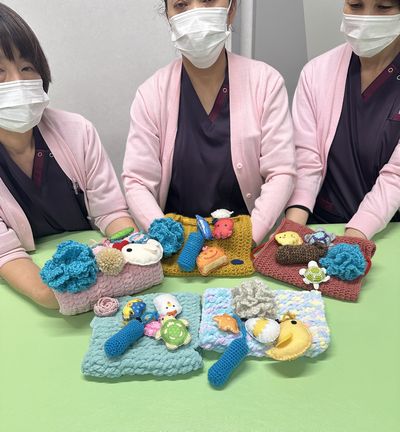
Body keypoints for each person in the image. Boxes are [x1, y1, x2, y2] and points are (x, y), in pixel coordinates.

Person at [122, 0, 296, 245]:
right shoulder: (151, 93)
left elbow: (281, 172)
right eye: (181, 4)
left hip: (246, 239)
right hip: (176, 242)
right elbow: (137, 181)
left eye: (208, 0)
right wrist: (167, 238)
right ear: (169, 18)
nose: (195, 14)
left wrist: (248, 238)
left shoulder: (265, 82)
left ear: (231, 10)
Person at [0, 3, 136, 308]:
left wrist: (131, 256)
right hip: (26, 288)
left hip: (96, 265)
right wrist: (52, 295)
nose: (17, 82)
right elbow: (5, 253)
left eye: (26, 68)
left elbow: (110, 212)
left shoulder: (77, 131)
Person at [286, 0, 400, 240]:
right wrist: (292, 228)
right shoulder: (316, 72)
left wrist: (354, 237)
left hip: (389, 232)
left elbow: (396, 176)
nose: (367, 18)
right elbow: (306, 159)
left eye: (383, 7)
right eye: (355, 5)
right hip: (322, 228)